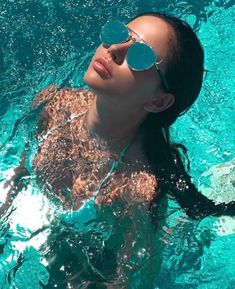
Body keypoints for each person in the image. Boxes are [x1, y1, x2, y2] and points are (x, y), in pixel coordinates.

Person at [2, 11, 235, 289]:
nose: (113, 49)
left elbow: (135, 277)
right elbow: (19, 171)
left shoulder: (138, 186)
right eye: (119, 34)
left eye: (140, 55)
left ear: (158, 102)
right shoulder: (52, 104)